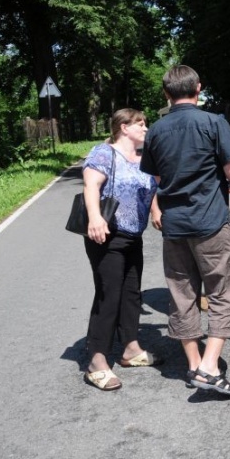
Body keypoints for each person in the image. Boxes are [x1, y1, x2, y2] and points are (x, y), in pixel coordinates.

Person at [140, 65, 230, 396]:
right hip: (210, 221)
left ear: (166, 93)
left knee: (181, 295)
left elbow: (157, 179)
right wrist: (226, 177)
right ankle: (210, 366)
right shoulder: (213, 122)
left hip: (174, 225)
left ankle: (193, 364)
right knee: (224, 290)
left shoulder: (155, 130)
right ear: (198, 88)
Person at [81, 109, 160, 391]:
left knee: (131, 293)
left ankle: (130, 349)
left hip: (133, 236)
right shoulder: (105, 153)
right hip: (107, 235)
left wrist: (155, 210)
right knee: (109, 294)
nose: (146, 129)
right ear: (124, 127)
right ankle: (97, 360)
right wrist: (94, 217)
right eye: (141, 124)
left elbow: (150, 188)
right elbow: (91, 184)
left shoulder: (143, 158)